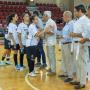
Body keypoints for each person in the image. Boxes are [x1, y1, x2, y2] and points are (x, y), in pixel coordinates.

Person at [70, 4, 89, 89]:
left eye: (75, 11)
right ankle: (78, 79)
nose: (74, 13)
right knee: (77, 63)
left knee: (82, 64)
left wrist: (75, 34)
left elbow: (86, 34)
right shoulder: (77, 20)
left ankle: (82, 82)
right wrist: (73, 35)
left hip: (82, 44)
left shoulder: (85, 20)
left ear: (80, 11)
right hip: (76, 43)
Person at [58, 11, 74, 83]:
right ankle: (66, 73)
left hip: (69, 44)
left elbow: (71, 35)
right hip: (64, 44)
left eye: (64, 16)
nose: (63, 18)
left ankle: (70, 76)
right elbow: (63, 33)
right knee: (65, 60)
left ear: (68, 16)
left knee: (69, 61)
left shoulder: (72, 24)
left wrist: (62, 36)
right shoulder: (66, 24)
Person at [43, 11, 57, 76]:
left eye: (44, 15)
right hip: (48, 42)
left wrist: (45, 32)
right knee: (49, 56)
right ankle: (51, 68)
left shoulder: (51, 22)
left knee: (51, 56)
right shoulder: (48, 22)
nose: (43, 17)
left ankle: (53, 70)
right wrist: (45, 31)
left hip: (51, 42)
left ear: (47, 16)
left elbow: (52, 32)